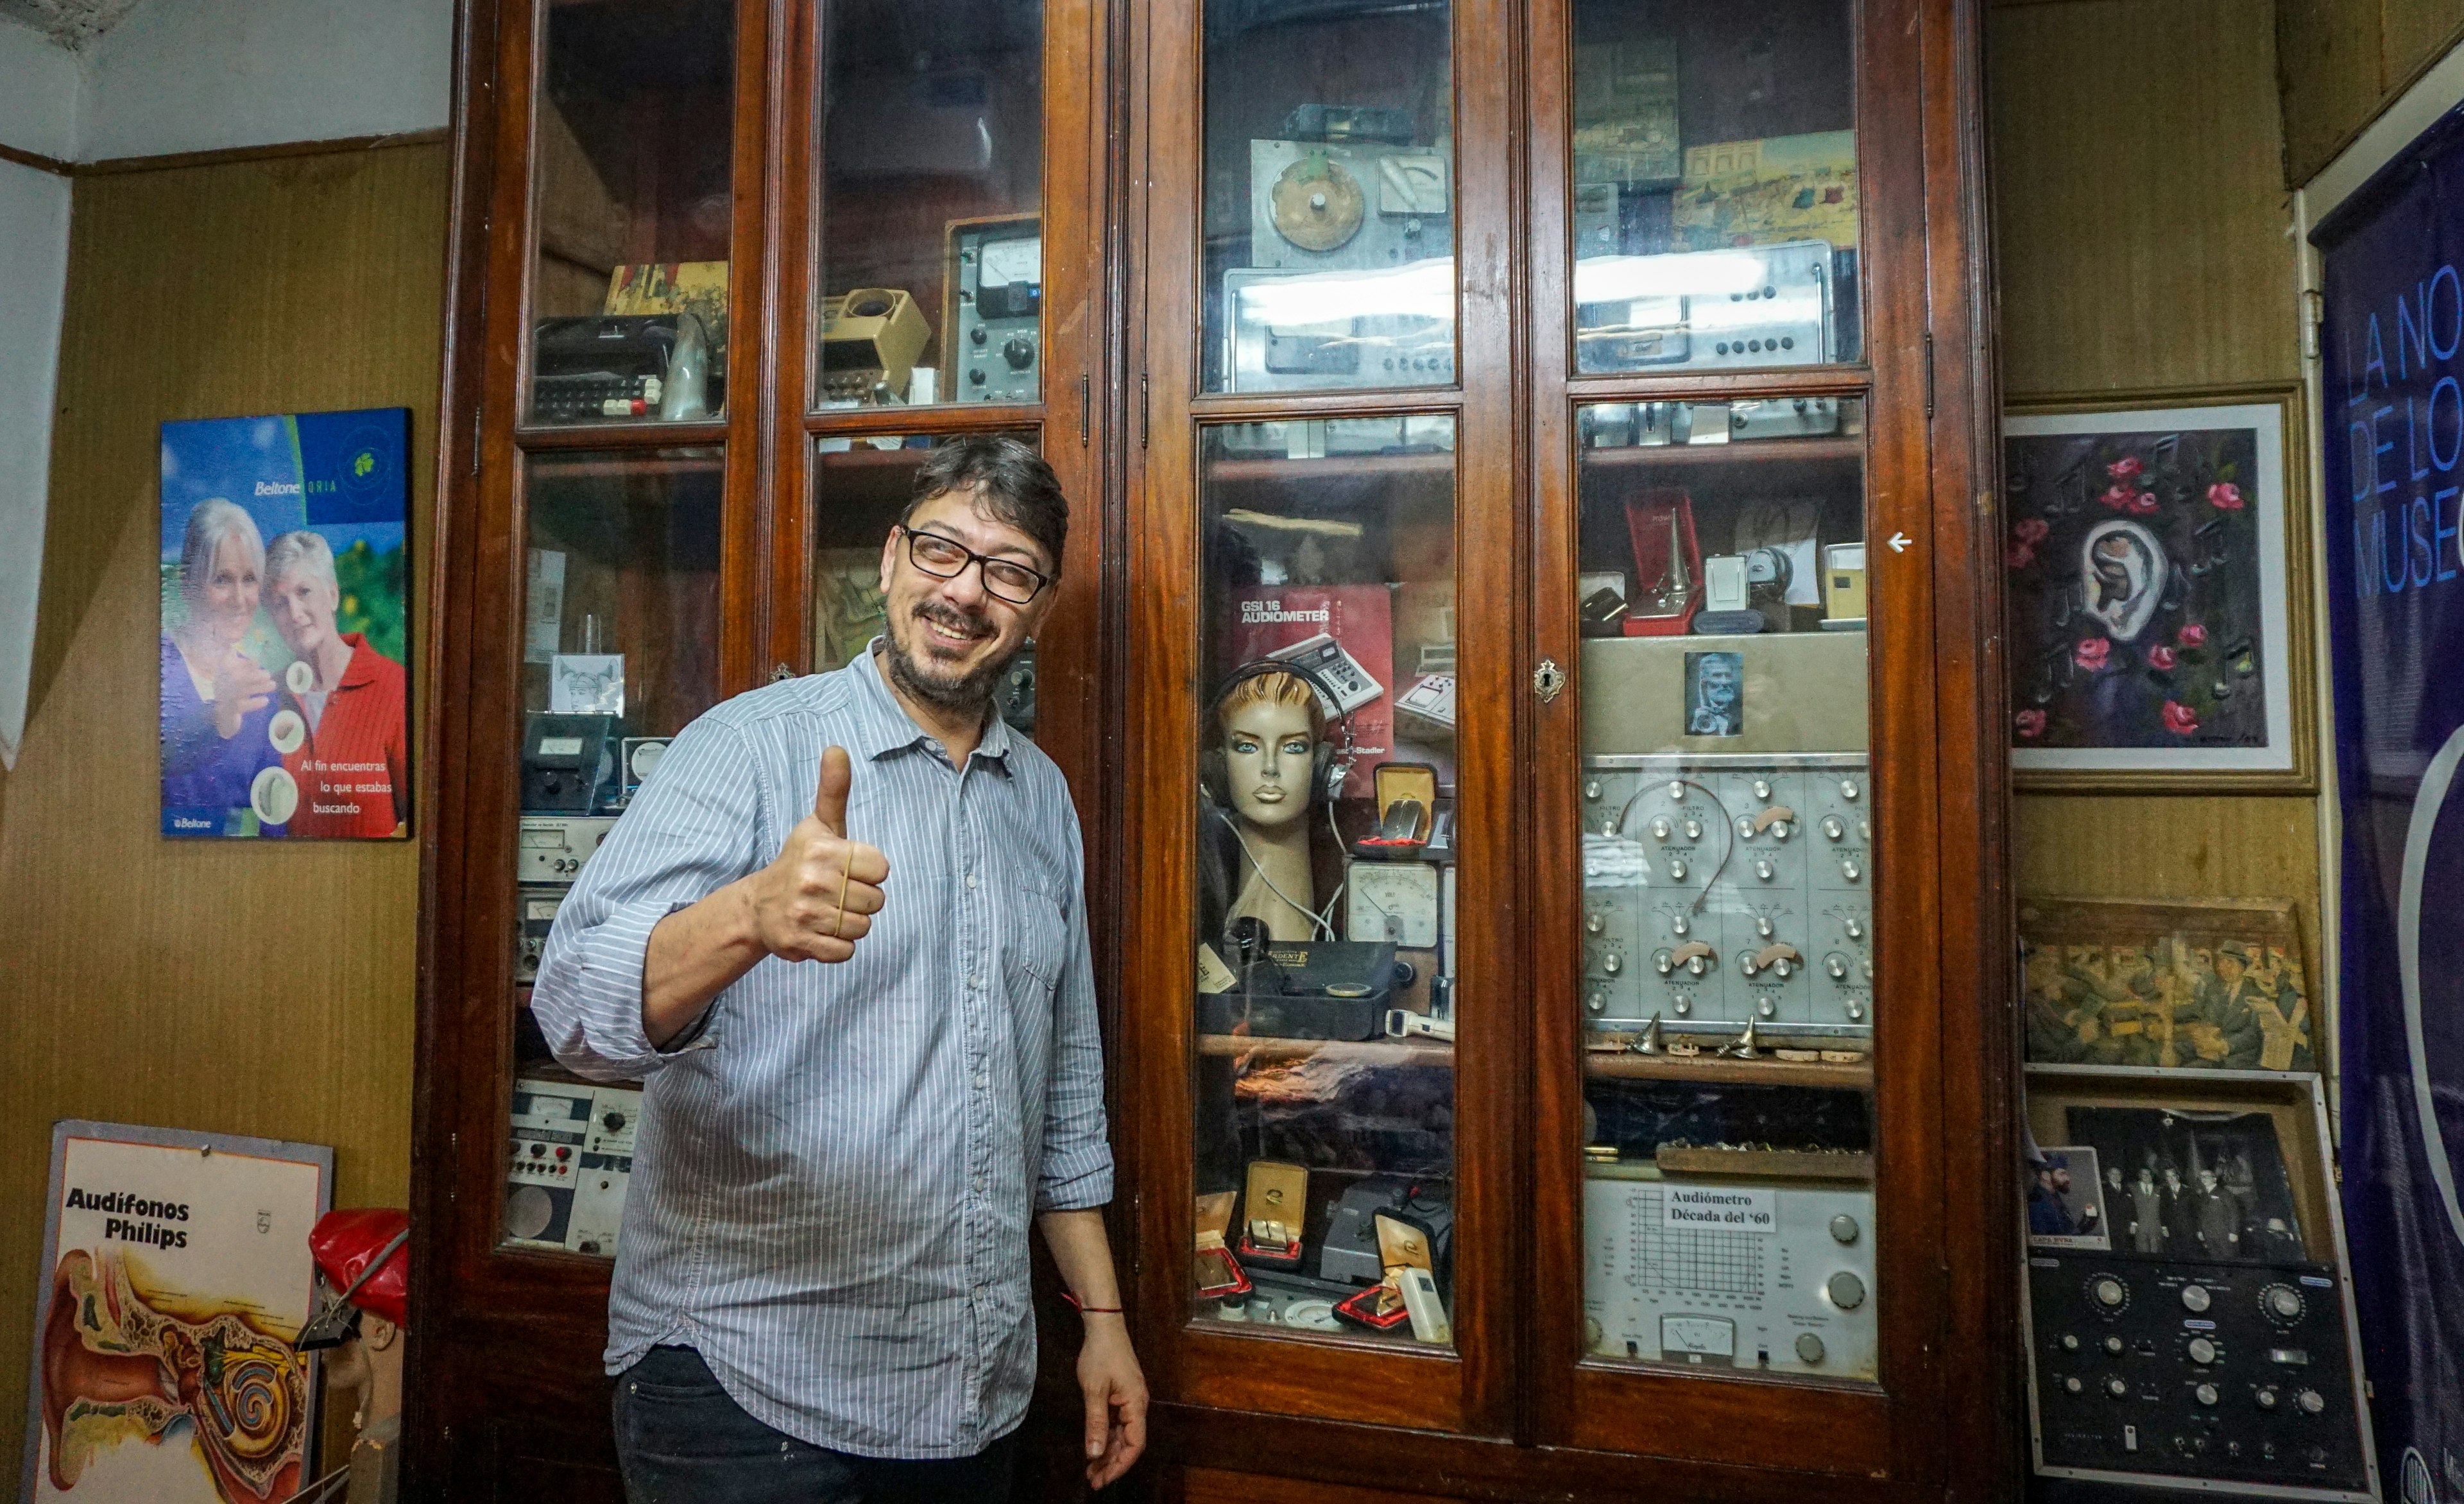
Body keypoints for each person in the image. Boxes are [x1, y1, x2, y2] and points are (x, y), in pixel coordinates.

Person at [531, 436, 1143, 1503]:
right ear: (891, 560)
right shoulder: (748, 747)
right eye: (943, 548)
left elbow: (1065, 1095)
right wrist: (749, 914)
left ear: (1038, 606)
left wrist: (1104, 1323)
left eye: (1008, 570)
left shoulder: (1041, 798)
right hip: (742, 1386)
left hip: (967, 1394)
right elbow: (574, 1005)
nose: (966, 590)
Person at [263, 531, 409, 837]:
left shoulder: (395, 687)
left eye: (304, 592)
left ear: (333, 595)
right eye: (279, 603)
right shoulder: (267, 695)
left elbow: (420, 822)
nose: (294, 613)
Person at [160, 499, 281, 825]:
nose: (240, 600)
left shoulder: (261, 690)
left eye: (250, 579)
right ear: (188, 584)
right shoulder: (154, 668)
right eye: (222, 580)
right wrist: (217, 715)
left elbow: (273, 816)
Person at [1688, 653, 1741, 736]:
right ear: (1704, 681)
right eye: (1717, 676)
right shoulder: (1691, 721)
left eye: (1728, 676)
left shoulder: (1743, 715)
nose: (1725, 682)